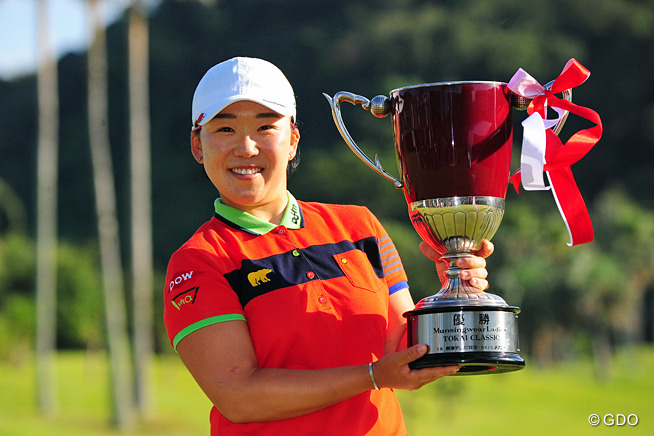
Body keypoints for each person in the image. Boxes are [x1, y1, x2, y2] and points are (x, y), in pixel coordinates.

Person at [163, 56, 493, 435]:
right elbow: (240, 397)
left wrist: (453, 292)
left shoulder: (359, 225)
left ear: (292, 140)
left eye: (266, 127)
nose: (247, 147)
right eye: (224, 129)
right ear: (197, 145)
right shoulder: (198, 262)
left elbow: (402, 352)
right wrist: (370, 376)